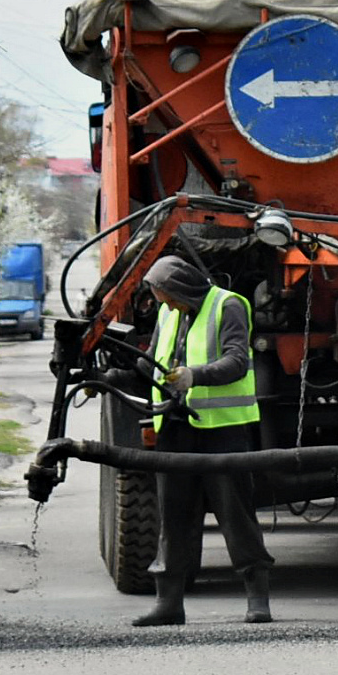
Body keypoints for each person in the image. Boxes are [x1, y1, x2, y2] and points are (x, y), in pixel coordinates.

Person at [126, 254, 273, 628]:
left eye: (167, 297)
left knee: (235, 514)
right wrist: (115, 374)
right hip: (175, 429)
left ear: (183, 288)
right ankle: (169, 605)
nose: (165, 305)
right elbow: (153, 362)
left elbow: (237, 361)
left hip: (222, 430)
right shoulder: (168, 312)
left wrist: (194, 376)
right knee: (173, 518)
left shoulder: (228, 305)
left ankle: (258, 601)